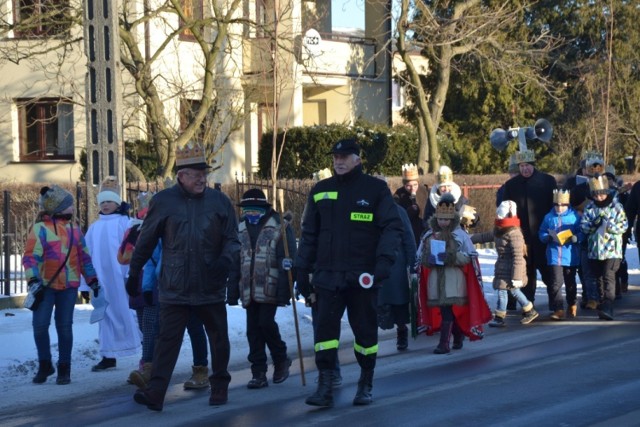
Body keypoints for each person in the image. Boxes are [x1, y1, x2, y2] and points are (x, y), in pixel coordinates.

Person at [127, 142, 241, 411]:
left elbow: (233, 240)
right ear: (181, 175)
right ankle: (156, 393)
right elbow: (145, 241)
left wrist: (225, 260)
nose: (202, 177)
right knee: (167, 341)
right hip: (174, 286)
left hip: (209, 283)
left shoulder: (220, 201)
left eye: (204, 172)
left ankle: (220, 385)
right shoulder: (164, 201)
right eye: (195, 173)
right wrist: (134, 271)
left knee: (218, 337)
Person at [295, 138, 403, 408]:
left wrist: (382, 265)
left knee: (365, 334)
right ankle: (325, 384)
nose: (339, 161)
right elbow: (309, 235)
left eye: (344, 157)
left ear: (357, 159)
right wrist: (301, 270)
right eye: (335, 157)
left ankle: (366, 381)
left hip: (362, 277)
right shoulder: (321, 190)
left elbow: (392, 228)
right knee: (324, 335)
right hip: (328, 277)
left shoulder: (375, 189)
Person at [22, 185, 99, 385]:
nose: (73, 207)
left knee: (64, 327)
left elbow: (84, 258)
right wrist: (33, 279)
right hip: (45, 286)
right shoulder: (40, 229)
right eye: (69, 204)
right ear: (59, 208)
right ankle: (45, 364)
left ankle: (64, 368)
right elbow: (31, 256)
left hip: (69, 286)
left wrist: (92, 280)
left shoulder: (75, 230)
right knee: (40, 326)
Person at [227, 188, 296, 389]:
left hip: (271, 286)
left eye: (255, 209)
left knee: (265, 323)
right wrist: (232, 291)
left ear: (264, 208)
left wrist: (287, 289)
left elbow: (289, 258)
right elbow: (235, 261)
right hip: (248, 287)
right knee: (252, 330)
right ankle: (258, 372)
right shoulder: (239, 228)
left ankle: (281, 358)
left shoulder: (280, 226)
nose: (251, 214)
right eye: (247, 210)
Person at [418, 193, 492, 352]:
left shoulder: (460, 236)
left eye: (446, 219)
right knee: (447, 310)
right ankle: (457, 336)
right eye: (440, 219)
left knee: (448, 311)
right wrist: (428, 259)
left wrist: (452, 257)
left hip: (455, 280)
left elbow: (470, 258)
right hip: (436, 280)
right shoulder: (429, 236)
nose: (443, 222)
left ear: (452, 219)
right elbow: (420, 258)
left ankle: (444, 344)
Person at [82, 176, 141, 372]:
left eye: (110, 201)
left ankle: (138, 346)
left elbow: (132, 248)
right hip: (101, 280)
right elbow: (86, 255)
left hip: (120, 277)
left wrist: (131, 274)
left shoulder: (125, 223)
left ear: (117, 203)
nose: (106, 205)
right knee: (104, 314)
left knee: (125, 311)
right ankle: (108, 355)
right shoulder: (94, 227)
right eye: (103, 202)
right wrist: (86, 284)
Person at [501, 149, 557, 305]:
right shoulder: (511, 185)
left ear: (533, 165)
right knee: (526, 271)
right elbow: (506, 210)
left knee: (548, 271)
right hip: (522, 235)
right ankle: (528, 304)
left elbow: (555, 207)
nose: (525, 169)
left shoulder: (547, 181)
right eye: (522, 166)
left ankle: (555, 302)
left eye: (528, 165)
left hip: (543, 234)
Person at [471, 200, 539, 327]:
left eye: (500, 215)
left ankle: (499, 316)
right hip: (503, 266)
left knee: (503, 291)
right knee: (514, 291)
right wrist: (469, 239)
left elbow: (518, 257)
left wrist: (517, 277)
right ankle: (529, 310)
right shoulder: (500, 230)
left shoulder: (514, 234)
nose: (497, 217)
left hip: (512, 268)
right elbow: (485, 236)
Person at [378, 175, 417, 351]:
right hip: (373, 264)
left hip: (396, 264)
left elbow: (408, 237)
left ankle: (402, 332)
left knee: (399, 301)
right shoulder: (368, 211)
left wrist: (412, 263)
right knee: (374, 302)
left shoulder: (398, 211)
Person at [580, 174, 628, 320]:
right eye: (596, 195)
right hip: (595, 250)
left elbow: (624, 225)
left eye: (601, 194)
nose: (599, 197)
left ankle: (608, 305)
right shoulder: (590, 208)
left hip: (612, 250)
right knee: (598, 277)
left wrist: (609, 225)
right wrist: (594, 225)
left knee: (609, 276)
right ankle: (602, 302)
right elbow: (583, 226)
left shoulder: (616, 207)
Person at [538, 190, 582, 319]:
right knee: (556, 283)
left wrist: (576, 237)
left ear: (567, 205)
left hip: (570, 256)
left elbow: (582, 232)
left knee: (570, 282)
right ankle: (558, 308)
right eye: (557, 205)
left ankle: (572, 303)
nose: (559, 207)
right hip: (554, 255)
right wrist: (547, 237)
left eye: (563, 205)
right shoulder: (548, 217)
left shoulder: (574, 217)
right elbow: (541, 232)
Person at [393, 163, 427, 245]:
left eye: (415, 185)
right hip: (408, 230)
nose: (412, 188)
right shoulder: (399, 194)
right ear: (404, 185)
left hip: (423, 229)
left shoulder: (424, 191)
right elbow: (396, 213)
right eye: (408, 186)